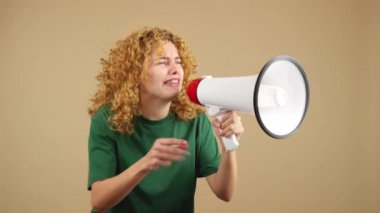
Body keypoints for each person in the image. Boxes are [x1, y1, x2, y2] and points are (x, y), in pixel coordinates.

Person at [87, 27, 244, 213]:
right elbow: (98, 200)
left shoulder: (195, 117)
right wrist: (146, 164)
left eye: (178, 62)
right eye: (163, 62)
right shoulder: (107, 119)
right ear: (136, 73)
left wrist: (228, 146)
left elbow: (224, 192)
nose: (175, 70)